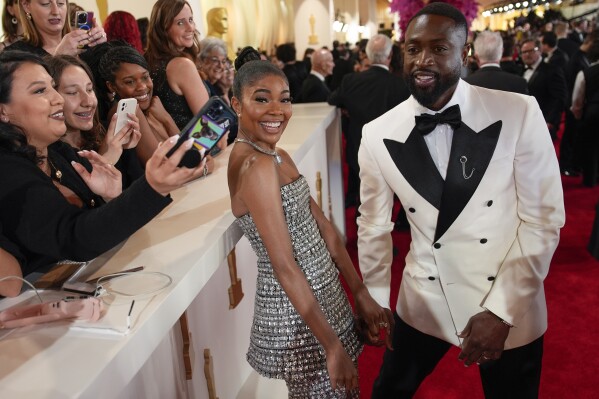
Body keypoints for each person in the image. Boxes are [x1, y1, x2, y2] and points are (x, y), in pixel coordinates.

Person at [357, 3, 565, 398]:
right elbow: (374, 225)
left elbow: (543, 221)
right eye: (414, 48)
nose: (423, 60)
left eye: (439, 48)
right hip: (425, 297)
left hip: (508, 296)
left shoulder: (518, 112)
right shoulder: (377, 133)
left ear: (465, 54)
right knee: (388, 390)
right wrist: (377, 294)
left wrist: (502, 311)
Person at [227, 59, 393, 398]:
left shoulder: (276, 155)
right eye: (261, 98)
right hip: (300, 316)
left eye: (285, 99)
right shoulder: (254, 165)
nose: (277, 110)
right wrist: (331, 344)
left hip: (324, 294)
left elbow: (325, 228)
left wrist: (358, 291)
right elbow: (284, 265)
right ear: (235, 104)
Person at [0, 50, 206, 284]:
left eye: (52, 87)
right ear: (3, 110)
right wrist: (152, 187)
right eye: (40, 90)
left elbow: (102, 228)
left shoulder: (58, 153)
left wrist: (111, 197)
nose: (56, 98)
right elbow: (75, 238)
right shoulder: (8, 172)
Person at [328, 34, 410, 209]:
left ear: (367, 55)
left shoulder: (351, 81)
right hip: (391, 149)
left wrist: (347, 107)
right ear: (389, 57)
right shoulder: (401, 85)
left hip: (359, 146)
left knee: (365, 199)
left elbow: (332, 100)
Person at [145, 0, 210, 130]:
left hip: (173, 146)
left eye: (190, 20)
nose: (190, 27)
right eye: (180, 23)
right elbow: (210, 128)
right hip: (195, 147)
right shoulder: (182, 66)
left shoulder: (148, 60)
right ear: (163, 29)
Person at [8, 0, 106, 56]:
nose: (55, 11)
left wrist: (103, 49)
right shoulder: (16, 54)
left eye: (60, 3)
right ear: (26, 5)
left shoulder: (85, 45)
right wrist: (59, 56)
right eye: (45, 3)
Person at [521, 38, 568, 140]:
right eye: (524, 52)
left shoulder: (552, 70)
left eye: (531, 50)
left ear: (540, 50)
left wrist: (550, 121)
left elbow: (559, 97)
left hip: (544, 123)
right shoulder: (520, 71)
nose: (527, 54)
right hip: (525, 124)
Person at [571, 36, 599, 187]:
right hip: (592, 113)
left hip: (592, 113)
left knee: (590, 148)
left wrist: (578, 115)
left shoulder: (585, 73)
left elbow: (577, 99)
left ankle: (590, 179)